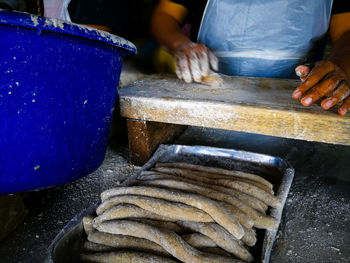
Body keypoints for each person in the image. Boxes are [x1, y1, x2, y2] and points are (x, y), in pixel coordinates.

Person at [151, 0, 350, 115]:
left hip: (297, 101)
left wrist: (337, 66)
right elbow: (165, 16)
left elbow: (346, 33)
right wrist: (180, 44)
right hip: (207, 99)